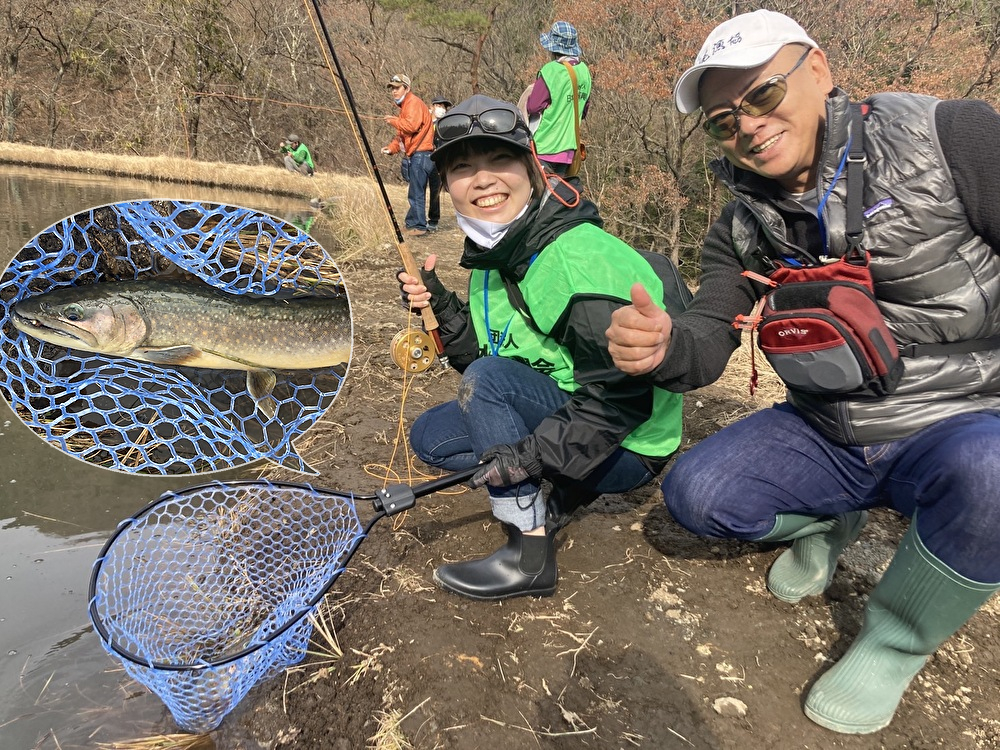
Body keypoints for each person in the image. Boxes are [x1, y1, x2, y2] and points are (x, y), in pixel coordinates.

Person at [604, 8, 1000, 736]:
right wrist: (663, 348)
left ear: (817, 70)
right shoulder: (742, 224)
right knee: (698, 497)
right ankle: (831, 517)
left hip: (964, 416)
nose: (747, 126)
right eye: (724, 121)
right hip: (827, 423)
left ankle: (892, 642)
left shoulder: (951, 137)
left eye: (761, 96)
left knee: (995, 472)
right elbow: (708, 336)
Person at [397, 94, 685, 602]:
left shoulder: (573, 260)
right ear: (445, 185)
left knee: (488, 385)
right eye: (462, 168)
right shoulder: (494, 253)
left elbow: (624, 402)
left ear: (533, 168)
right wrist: (439, 305)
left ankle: (528, 550)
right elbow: (484, 356)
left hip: (628, 443)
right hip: (567, 402)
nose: (483, 180)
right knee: (431, 438)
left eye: (500, 160)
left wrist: (529, 458)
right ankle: (558, 480)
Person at [525, 21, 592, 175]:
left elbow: (533, 107)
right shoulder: (584, 72)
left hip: (544, 145)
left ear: (553, 48)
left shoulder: (551, 70)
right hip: (569, 148)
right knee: (557, 195)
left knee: (538, 195)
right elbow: (583, 111)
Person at [381, 74, 435, 237]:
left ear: (407, 88)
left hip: (422, 154)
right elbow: (401, 135)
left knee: (417, 191)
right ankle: (412, 223)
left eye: (397, 88)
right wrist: (391, 149)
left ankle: (420, 226)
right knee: (414, 191)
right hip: (417, 155)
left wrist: (392, 120)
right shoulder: (405, 107)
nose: (394, 91)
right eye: (392, 88)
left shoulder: (413, 103)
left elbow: (410, 126)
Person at [427, 96, 452, 231]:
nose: (441, 109)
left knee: (435, 189)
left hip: (438, 160)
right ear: (431, 106)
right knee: (418, 190)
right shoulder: (424, 121)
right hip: (422, 155)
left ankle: (433, 219)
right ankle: (417, 220)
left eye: (443, 107)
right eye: (439, 105)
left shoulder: (446, 124)